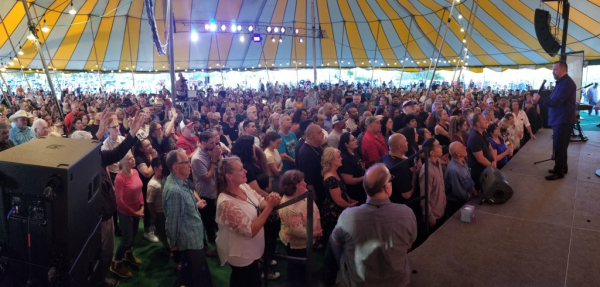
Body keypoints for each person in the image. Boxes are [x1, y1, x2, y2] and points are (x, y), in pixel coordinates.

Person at [330, 163, 416, 287]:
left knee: (333, 238)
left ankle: (328, 279)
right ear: (387, 188)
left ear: (364, 186)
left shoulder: (347, 215)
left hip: (361, 282)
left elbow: (337, 243)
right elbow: (409, 245)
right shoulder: (407, 213)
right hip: (397, 281)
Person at [215, 156, 281, 287]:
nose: (245, 171)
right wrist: (270, 206)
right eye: (241, 169)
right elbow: (249, 231)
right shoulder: (225, 203)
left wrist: (270, 199)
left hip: (250, 249)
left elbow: (259, 200)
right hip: (240, 253)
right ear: (229, 176)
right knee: (243, 280)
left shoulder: (243, 186)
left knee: (253, 279)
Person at [163, 149, 213, 287]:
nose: (190, 165)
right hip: (190, 242)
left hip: (193, 237)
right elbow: (172, 222)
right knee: (201, 278)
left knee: (188, 275)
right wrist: (173, 242)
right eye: (186, 162)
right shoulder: (175, 191)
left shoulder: (181, 182)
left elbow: (183, 211)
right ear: (175, 167)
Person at [533, 60, 577, 180]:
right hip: (560, 119)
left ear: (563, 70)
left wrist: (540, 100)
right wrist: (541, 99)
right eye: (553, 69)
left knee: (559, 146)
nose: (553, 71)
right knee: (561, 146)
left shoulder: (566, 83)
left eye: (555, 69)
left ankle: (559, 172)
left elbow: (557, 101)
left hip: (563, 120)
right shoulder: (561, 83)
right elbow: (553, 98)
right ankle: (562, 167)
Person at [277, 170, 322, 286]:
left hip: (308, 238)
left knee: (305, 265)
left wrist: (318, 224)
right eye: (302, 183)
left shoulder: (304, 193)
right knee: (295, 267)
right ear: (293, 187)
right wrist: (315, 234)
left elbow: (315, 208)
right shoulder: (288, 207)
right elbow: (297, 231)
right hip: (295, 243)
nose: (305, 184)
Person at [110, 152, 144, 278]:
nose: (133, 160)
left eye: (133, 158)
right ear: (123, 162)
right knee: (126, 239)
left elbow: (139, 190)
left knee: (133, 234)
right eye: (130, 159)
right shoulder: (119, 178)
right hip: (125, 212)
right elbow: (120, 201)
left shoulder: (135, 172)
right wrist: (133, 212)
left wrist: (142, 205)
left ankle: (128, 255)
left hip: (136, 210)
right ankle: (115, 263)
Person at [192, 131, 226, 252]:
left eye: (215, 142)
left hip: (215, 190)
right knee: (206, 220)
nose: (214, 145)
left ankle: (212, 237)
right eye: (211, 143)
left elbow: (220, 168)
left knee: (215, 217)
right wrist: (214, 160)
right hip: (205, 194)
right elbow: (207, 177)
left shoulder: (211, 151)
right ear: (202, 143)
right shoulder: (197, 158)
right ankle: (207, 243)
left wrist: (219, 157)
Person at [320, 147, 357, 243]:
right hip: (334, 212)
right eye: (338, 157)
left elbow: (341, 190)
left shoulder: (334, 172)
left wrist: (349, 198)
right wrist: (350, 207)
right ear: (331, 160)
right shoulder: (331, 178)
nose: (341, 158)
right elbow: (338, 201)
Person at [445, 142, 477, 217]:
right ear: (458, 153)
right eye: (462, 147)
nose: (465, 147)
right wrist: (473, 198)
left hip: (468, 196)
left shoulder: (461, 160)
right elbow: (459, 193)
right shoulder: (454, 171)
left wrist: (473, 187)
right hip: (459, 204)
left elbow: (468, 174)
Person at [419, 138, 446, 229]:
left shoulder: (437, 162)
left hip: (441, 211)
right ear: (432, 153)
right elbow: (424, 198)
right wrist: (431, 218)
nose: (441, 147)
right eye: (438, 146)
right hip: (434, 217)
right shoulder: (427, 171)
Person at [296, 125, 326, 207]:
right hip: (317, 191)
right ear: (312, 136)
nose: (323, 134)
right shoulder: (305, 154)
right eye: (320, 132)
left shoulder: (317, 146)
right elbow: (307, 179)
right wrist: (314, 196)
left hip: (322, 187)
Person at [147, 156, 170, 253]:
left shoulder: (165, 178)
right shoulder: (152, 185)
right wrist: (154, 216)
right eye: (162, 167)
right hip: (160, 212)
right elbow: (149, 202)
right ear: (155, 169)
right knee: (161, 232)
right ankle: (166, 247)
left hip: (168, 210)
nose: (164, 169)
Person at [467, 113, 495, 191]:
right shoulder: (474, 138)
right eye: (484, 119)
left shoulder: (484, 133)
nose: (486, 121)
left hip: (487, 168)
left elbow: (490, 147)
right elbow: (480, 159)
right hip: (479, 173)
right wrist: (492, 166)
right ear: (478, 124)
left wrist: (494, 160)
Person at [337, 132, 366, 204]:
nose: (356, 141)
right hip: (354, 192)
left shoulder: (354, 152)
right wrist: (365, 177)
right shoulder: (344, 159)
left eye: (355, 138)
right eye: (353, 140)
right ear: (346, 144)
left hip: (361, 187)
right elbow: (349, 180)